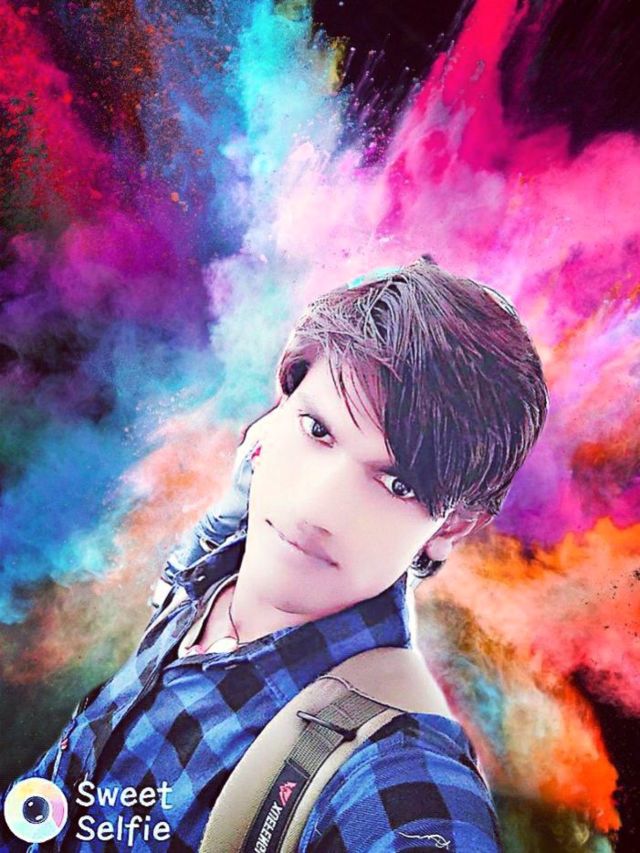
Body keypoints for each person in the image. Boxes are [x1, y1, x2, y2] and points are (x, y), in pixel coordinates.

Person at [1, 256, 548, 851]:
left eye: (397, 484)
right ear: (276, 412)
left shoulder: (397, 768)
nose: (315, 507)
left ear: (452, 526)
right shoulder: (210, 573)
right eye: (318, 430)